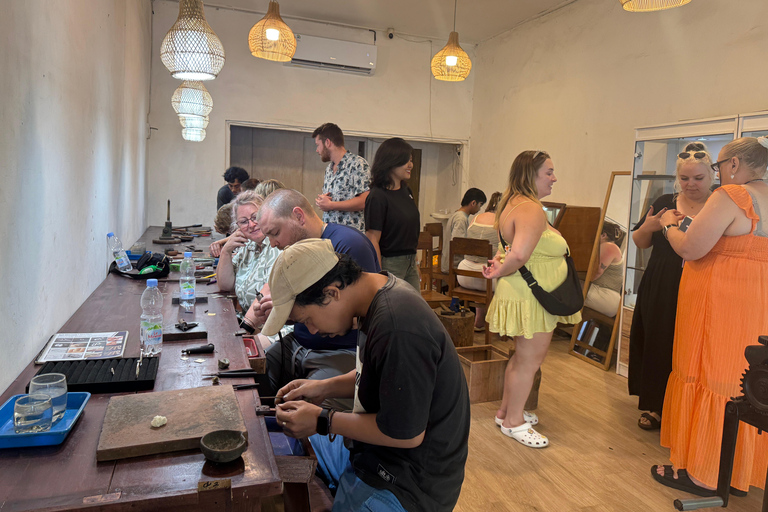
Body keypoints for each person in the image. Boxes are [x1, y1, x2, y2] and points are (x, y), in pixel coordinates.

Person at [262, 239, 470, 511]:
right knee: (296, 439)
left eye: (307, 320)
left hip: (409, 482)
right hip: (377, 453)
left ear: (332, 292)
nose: (311, 331)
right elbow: (377, 374)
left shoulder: (397, 324)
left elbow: (406, 434)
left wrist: (324, 419)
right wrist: (323, 388)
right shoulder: (375, 293)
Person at [652, 136, 768, 496]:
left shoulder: (732, 196)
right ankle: (734, 468)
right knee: (741, 379)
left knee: (709, 372)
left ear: (733, 164)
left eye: (717, 167)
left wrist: (670, 225)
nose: (718, 175)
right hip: (756, 301)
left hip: (718, 302)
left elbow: (691, 247)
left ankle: (703, 472)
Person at [482, 150, 581, 448]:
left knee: (522, 358)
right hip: (531, 296)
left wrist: (500, 265)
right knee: (529, 361)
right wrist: (502, 265)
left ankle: (506, 412)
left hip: (525, 293)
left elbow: (513, 251)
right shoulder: (530, 209)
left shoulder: (514, 204)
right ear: (530, 175)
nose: (554, 178)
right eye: (548, 172)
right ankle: (514, 422)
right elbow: (521, 254)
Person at [250, 189, 380, 405]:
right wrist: (288, 312)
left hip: (338, 350)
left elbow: (370, 315)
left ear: (298, 216)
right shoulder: (296, 252)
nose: (272, 244)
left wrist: (298, 312)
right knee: (251, 376)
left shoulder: (347, 245)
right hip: (299, 343)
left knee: (310, 409)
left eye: (275, 233)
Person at [628, 142, 715, 432]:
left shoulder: (720, 203)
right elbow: (639, 242)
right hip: (663, 280)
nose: (691, 184)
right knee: (659, 339)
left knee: (694, 345)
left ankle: (689, 406)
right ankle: (656, 405)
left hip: (704, 281)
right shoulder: (665, 200)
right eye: (685, 178)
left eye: (698, 178)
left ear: (711, 176)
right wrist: (651, 226)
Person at [215, 190, 288, 349]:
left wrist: (244, 330)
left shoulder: (278, 244)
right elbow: (225, 285)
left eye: (255, 218)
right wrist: (226, 251)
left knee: (236, 352)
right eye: (244, 221)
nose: (251, 225)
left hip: (280, 328)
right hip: (252, 328)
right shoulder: (247, 247)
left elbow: (268, 289)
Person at [364, 138, 421, 289]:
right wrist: (379, 273)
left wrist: (415, 262)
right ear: (391, 162)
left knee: (416, 309)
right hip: (391, 263)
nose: (411, 165)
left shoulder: (406, 191)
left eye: (411, 160)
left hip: (410, 261)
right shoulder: (377, 196)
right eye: (406, 161)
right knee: (394, 309)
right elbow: (372, 238)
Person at [312, 123, 371, 233]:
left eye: (317, 145)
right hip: (331, 235)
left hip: (350, 238)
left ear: (327, 143)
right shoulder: (329, 169)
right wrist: (323, 201)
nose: (317, 150)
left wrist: (331, 205)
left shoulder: (357, 164)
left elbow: (364, 201)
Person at [456, 191, 501, 331]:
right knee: (506, 276)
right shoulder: (501, 223)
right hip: (486, 278)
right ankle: (497, 324)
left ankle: (479, 320)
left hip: (463, 274)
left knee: (484, 270)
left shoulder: (475, 219)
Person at [583, 221, 624, 318]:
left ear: (603, 235)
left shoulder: (609, 246)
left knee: (567, 286)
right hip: (605, 295)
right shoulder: (606, 247)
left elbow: (595, 273)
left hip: (606, 296)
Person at [441, 188, 487, 274]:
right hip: (453, 265)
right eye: (480, 205)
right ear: (473, 203)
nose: (480, 209)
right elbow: (458, 245)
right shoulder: (461, 219)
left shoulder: (457, 215)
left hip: (450, 262)